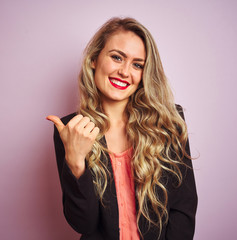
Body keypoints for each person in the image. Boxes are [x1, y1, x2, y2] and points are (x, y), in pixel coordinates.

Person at [47, 17, 197, 240]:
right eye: (117, 57)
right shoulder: (72, 129)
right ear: (94, 60)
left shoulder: (167, 123)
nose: (125, 72)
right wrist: (76, 162)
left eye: (137, 65)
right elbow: (83, 223)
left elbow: (183, 210)